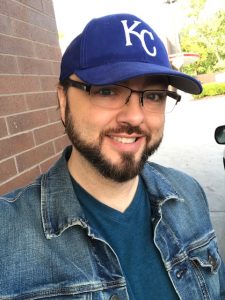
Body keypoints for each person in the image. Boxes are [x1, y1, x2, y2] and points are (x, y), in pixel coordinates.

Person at [0, 13, 224, 300]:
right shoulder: (7, 237)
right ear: (63, 100)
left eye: (154, 95)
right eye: (107, 91)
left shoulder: (189, 195)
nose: (135, 116)